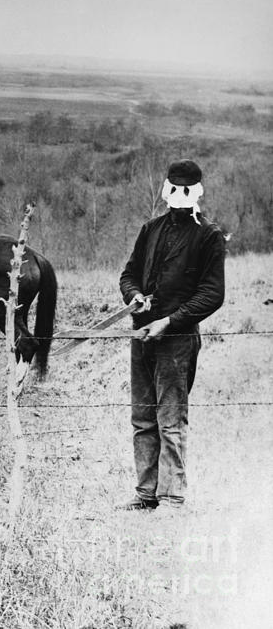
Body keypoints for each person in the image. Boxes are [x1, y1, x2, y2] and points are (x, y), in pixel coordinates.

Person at [117, 159, 225, 514]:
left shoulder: (209, 236)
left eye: (185, 188)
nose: (178, 195)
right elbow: (129, 274)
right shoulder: (150, 229)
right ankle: (146, 494)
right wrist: (133, 295)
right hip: (142, 335)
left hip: (177, 342)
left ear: (196, 192)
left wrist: (171, 321)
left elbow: (212, 294)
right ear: (166, 189)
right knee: (143, 418)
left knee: (170, 420)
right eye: (173, 187)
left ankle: (173, 497)